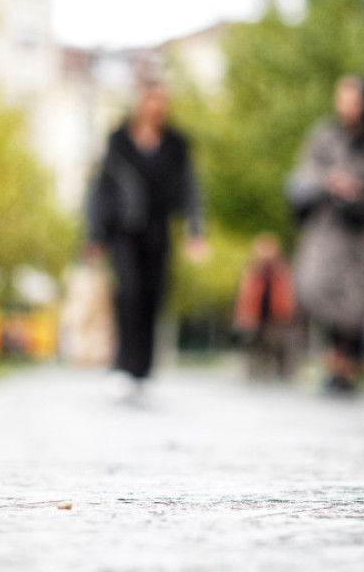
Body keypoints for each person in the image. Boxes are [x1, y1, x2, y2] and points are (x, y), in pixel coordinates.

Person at [84, 79, 207, 400]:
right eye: (152, 99)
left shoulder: (176, 143)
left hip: (158, 231)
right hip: (123, 231)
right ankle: (123, 366)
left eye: (162, 100)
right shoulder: (119, 139)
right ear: (140, 102)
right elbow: (101, 189)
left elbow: (189, 188)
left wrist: (195, 231)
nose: (157, 106)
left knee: (154, 297)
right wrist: (93, 234)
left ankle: (144, 370)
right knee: (128, 293)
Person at [285, 75, 364, 394]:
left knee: (354, 304)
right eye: (342, 97)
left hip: (362, 234)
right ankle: (335, 359)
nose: (346, 105)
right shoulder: (323, 138)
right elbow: (305, 173)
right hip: (325, 230)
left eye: (352, 98)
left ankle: (344, 366)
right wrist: (331, 180)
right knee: (315, 288)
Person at [233, 233, 296, 381]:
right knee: (253, 345)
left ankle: (280, 373)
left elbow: (287, 294)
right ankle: (254, 372)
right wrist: (243, 317)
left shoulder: (281, 271)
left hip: (276, 316)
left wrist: (286, 313)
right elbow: (244, 297)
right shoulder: (252, 272)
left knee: (276, 344)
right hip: (254, 317)